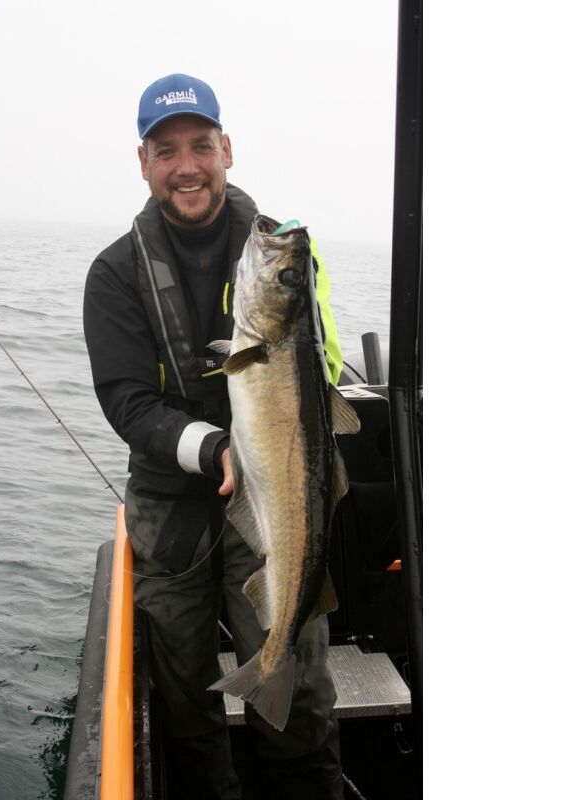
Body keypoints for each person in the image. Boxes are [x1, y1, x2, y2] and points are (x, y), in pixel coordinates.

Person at [82, 73, 345, 799]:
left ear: (228, 149)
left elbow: (319, 371)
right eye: (166, 151)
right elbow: (128, 403)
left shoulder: (281, 254)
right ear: (144, 163)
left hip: (275, 487)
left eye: (201, 145)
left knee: (299, 685)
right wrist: (216, 447)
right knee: (182, 693)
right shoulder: (114, 274)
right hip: (170, 500)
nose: (187, 166)